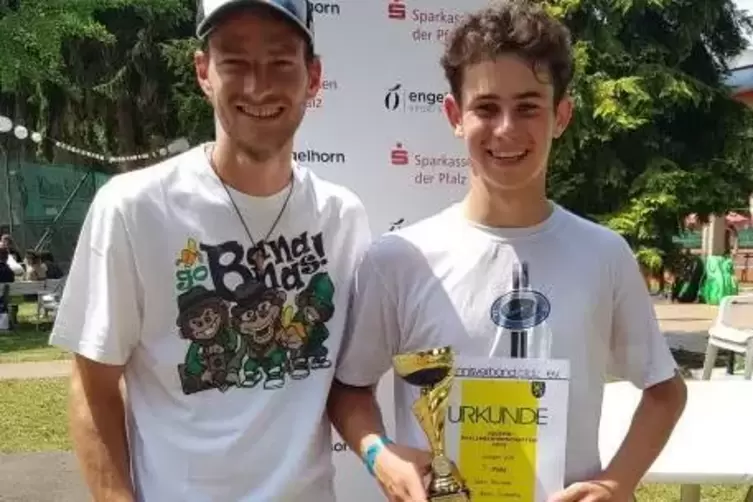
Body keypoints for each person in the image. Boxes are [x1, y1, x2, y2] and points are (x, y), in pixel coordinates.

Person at [327, 2, 687, 501]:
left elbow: (665, 392)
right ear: (455, 115)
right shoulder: (400, 259)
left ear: (561, 115)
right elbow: (349, 389)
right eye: (486, 107)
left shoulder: (604, 255)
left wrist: (615, 483)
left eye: (528, 107)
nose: (506, 129)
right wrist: (378, 455)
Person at [48, 1, 370, 500]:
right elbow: (91, 389)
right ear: (203, 73)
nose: (258, 86)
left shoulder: (341, 217)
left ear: (313, 75)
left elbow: (346, 384)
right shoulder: (133, 209)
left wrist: (381, 453)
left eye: (281, 62)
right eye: (235, 62)